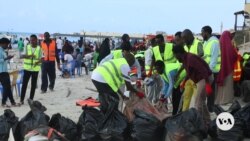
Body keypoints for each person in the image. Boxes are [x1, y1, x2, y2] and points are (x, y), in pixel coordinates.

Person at [172, 44, 213, 130]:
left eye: (175, 55)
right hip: (201, 79)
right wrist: (184, 81)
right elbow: (189, 72)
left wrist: (208, 84)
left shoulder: (190, 58)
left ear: (178, 53)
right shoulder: (185, 59)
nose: (175, 57)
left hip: (205, 78)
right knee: (201, 101)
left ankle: (199, 126)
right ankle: (208, 121)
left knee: (198, 103)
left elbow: (203, 70)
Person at [180, 29, 204, 111]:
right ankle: (184, 114)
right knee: (186, 96)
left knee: (197, 99)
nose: (183, 40)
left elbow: (201, 53)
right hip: (188, 75)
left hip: (196, 76)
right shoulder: (185, 47)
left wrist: (192, 59)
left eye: (184, 38)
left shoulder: (198, 43)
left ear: (190, 37)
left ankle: (197, 114)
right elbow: (184, 61)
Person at [201, 26, 221, 112]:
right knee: (208, 89)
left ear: (206, 32)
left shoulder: (214, 42)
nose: (201, 34)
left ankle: (211, 108)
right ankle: (208, 107)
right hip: (207, 70)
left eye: (202, 32)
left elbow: (214, 59)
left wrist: (209, 71)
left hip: (212, 70)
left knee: (211, 91)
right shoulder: (206, 42)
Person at [215, 31, 238, 105]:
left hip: (220, 67)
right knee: (228, 83)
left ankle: (220, 99)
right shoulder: (228, 44)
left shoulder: (220, 42)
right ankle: (226, 99)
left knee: (222, 85)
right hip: (228, 67)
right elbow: (233, 55)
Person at [20, 35, 42, 104]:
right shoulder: (27, 47)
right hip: (27, 69)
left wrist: (37, 62)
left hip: (35, 69)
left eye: (33, 40)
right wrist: (29, 56)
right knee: (24, 84)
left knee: (33, 85)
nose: (32, 41)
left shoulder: (39, 48)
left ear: (36, 40)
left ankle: (31, 99)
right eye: (31, 40)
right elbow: (21, 56)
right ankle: (21, 100)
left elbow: (41, 59)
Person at [0, 38, 20, 107]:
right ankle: (3, 102)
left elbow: (4, 60)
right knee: (6, 88)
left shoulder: (3, 50)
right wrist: (6, 58)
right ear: (2, 43)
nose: (7, 45)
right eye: (6, 44)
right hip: (1, 72)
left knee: (8, 88)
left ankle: (12, 102)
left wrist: (8, 58)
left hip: (4, 71)